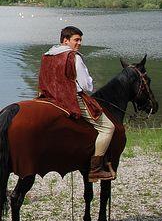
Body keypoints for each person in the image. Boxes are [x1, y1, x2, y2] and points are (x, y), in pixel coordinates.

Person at [38, 26, 115, 182]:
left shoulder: (47, 55)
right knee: (108, 127)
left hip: (50, 98)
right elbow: (87, 86)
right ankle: (95, 169)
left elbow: (42, 79)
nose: (79, 43)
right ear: (65, 40)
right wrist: (90, 82)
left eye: (80, 40)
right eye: (76, 40)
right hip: (70, 99)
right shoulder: (74, 57)